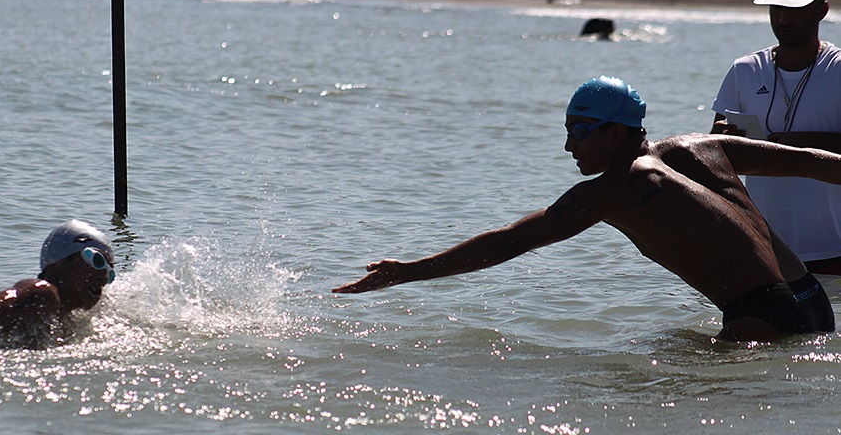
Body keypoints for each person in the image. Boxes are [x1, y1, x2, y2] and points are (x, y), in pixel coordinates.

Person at [334, 76, 839, 342]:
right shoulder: (698, 146)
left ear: (616, 133)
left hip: (762, 317)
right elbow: (812, 162)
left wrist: (408, 272)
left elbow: (511, 241)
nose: (569, 146)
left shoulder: (619, 187)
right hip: (810, 299)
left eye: (579, 131)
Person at [710, 0, 841, 275]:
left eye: (794, 9)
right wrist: (725, 140)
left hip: (834, 251)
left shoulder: (837, 70)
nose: (783, 18)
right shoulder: (744, 70)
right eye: (777, 7)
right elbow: (715, 156)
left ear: (821, 10)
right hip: (764, 252)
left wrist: (800, 144)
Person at [0, 219, 117, 349]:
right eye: (97, 260)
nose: (103, 275)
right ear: (60, 261)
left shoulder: (66, 319)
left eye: (110, 273)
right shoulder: (42, 293)